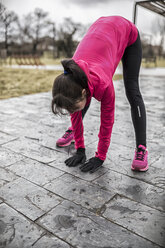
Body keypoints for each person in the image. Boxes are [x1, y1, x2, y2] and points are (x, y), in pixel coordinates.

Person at [51, 16, 148, 173]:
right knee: (76, 103)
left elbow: (107, 122)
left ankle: (142, 148)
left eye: (73, 109)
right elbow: (75, 110)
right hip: (102, 30)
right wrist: (80, 149)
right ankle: (73, 132)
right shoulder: (73, 77)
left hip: (127, 34)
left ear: (84, 92)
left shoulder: (104, 84)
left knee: (132, 90)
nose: (72, 113)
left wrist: (100, 156)